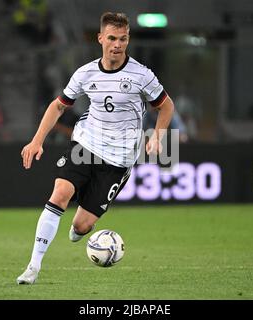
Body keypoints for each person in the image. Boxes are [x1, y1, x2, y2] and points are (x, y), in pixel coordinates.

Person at [16, 12, 174, 284]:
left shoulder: (141, 75)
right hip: (86, 144)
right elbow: (58, 106)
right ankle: (33, 266)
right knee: (61, 193)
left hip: (119, 159)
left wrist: (158, 136)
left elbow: (166, 105)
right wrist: (37, 140)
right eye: (112, 38)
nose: (117, 44)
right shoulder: (85, 73)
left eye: (123, 39)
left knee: (81, 226)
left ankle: (80, 230)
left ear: (128, 40)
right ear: (101, 38)